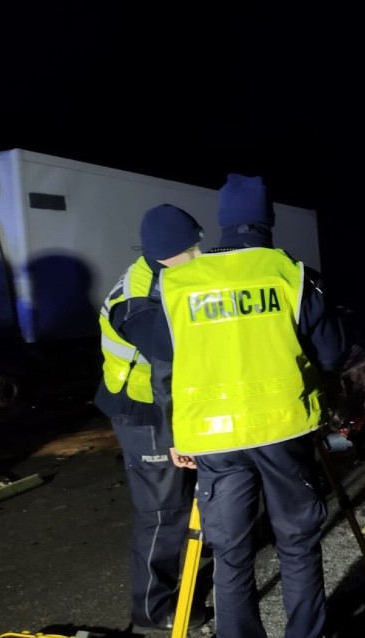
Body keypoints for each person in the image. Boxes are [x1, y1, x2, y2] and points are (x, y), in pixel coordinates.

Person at [150, 173, 346, 638]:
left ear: (219, 224)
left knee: (231, 551)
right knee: (296, 543)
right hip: (283, 431)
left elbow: (164, 369)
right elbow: (334, 353)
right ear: (268, 221)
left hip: (213, 440)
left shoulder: (178, 285)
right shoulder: (291, 274)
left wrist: (173, 434)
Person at [94, 204, 208, 632]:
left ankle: (184, 594)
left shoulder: (168, 274)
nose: (199, 256)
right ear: (165, 252)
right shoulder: (138, 300)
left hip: (165, 406)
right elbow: (171, 354)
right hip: (143, 414)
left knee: (187, 508)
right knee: (162, 514)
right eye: (191, 250)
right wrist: (175, 434)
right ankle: (152, 612)